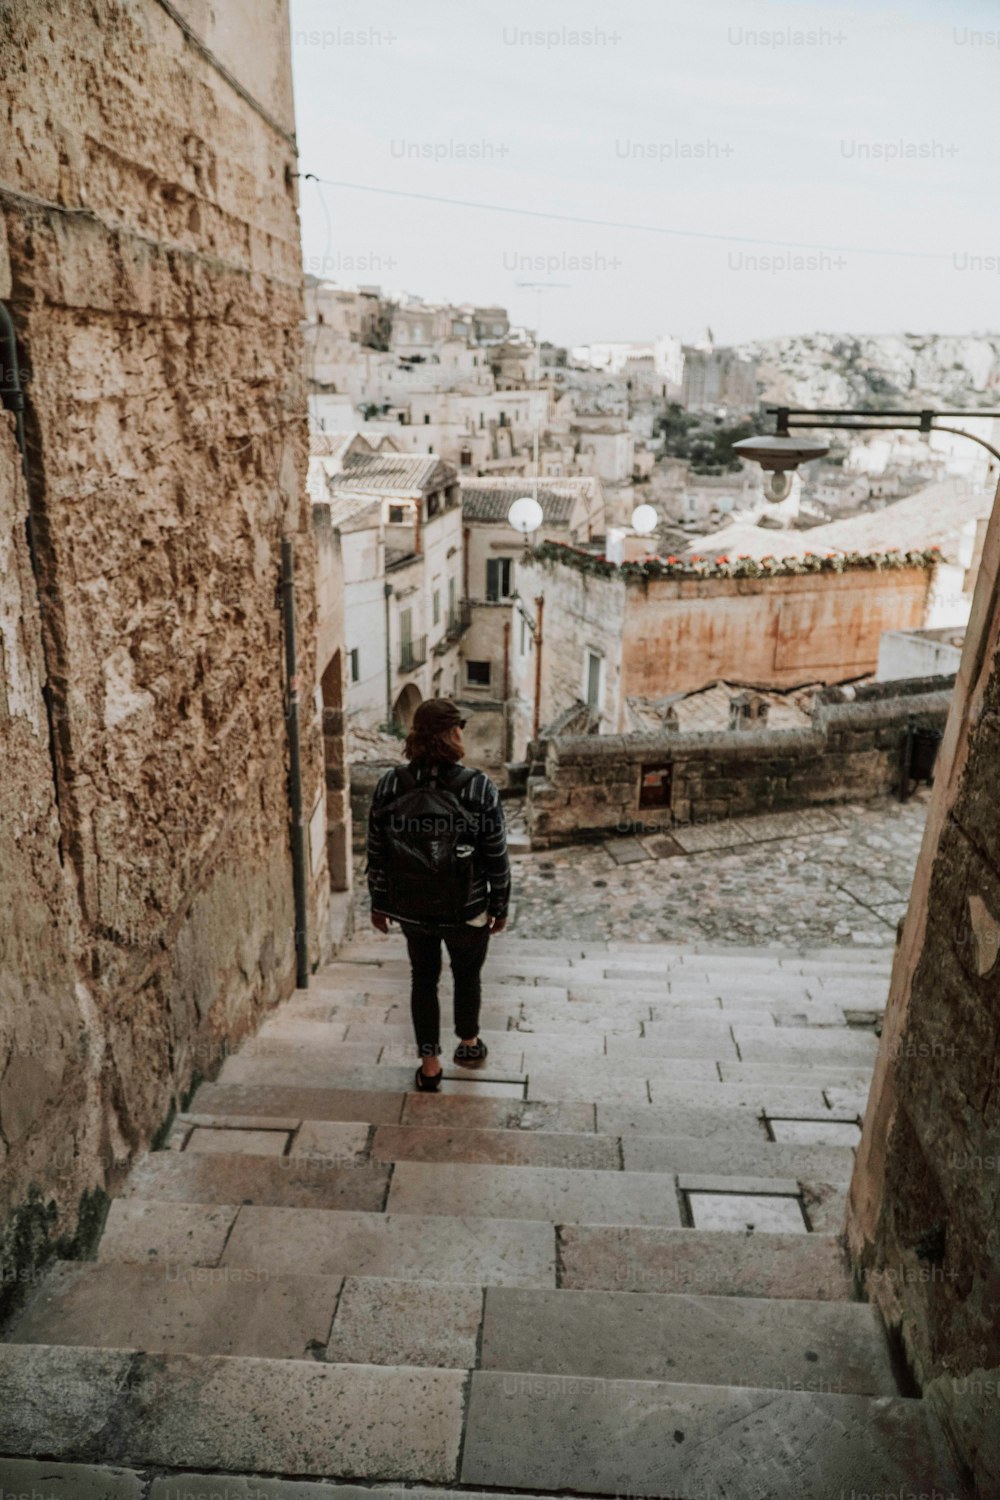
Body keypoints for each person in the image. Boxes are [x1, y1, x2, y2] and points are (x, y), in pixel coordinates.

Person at [366, 698, 511, 1092]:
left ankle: (429, 1066)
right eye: (458, 727)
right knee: (467, 975)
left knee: (423, 979)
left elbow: (376, 851)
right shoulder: (478, 786)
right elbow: (495, 852)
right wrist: (499, 904)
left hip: (412, 907)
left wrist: (379, 903)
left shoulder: (391, 783)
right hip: (466, 907)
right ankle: (468, 1045)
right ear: (452, 734)